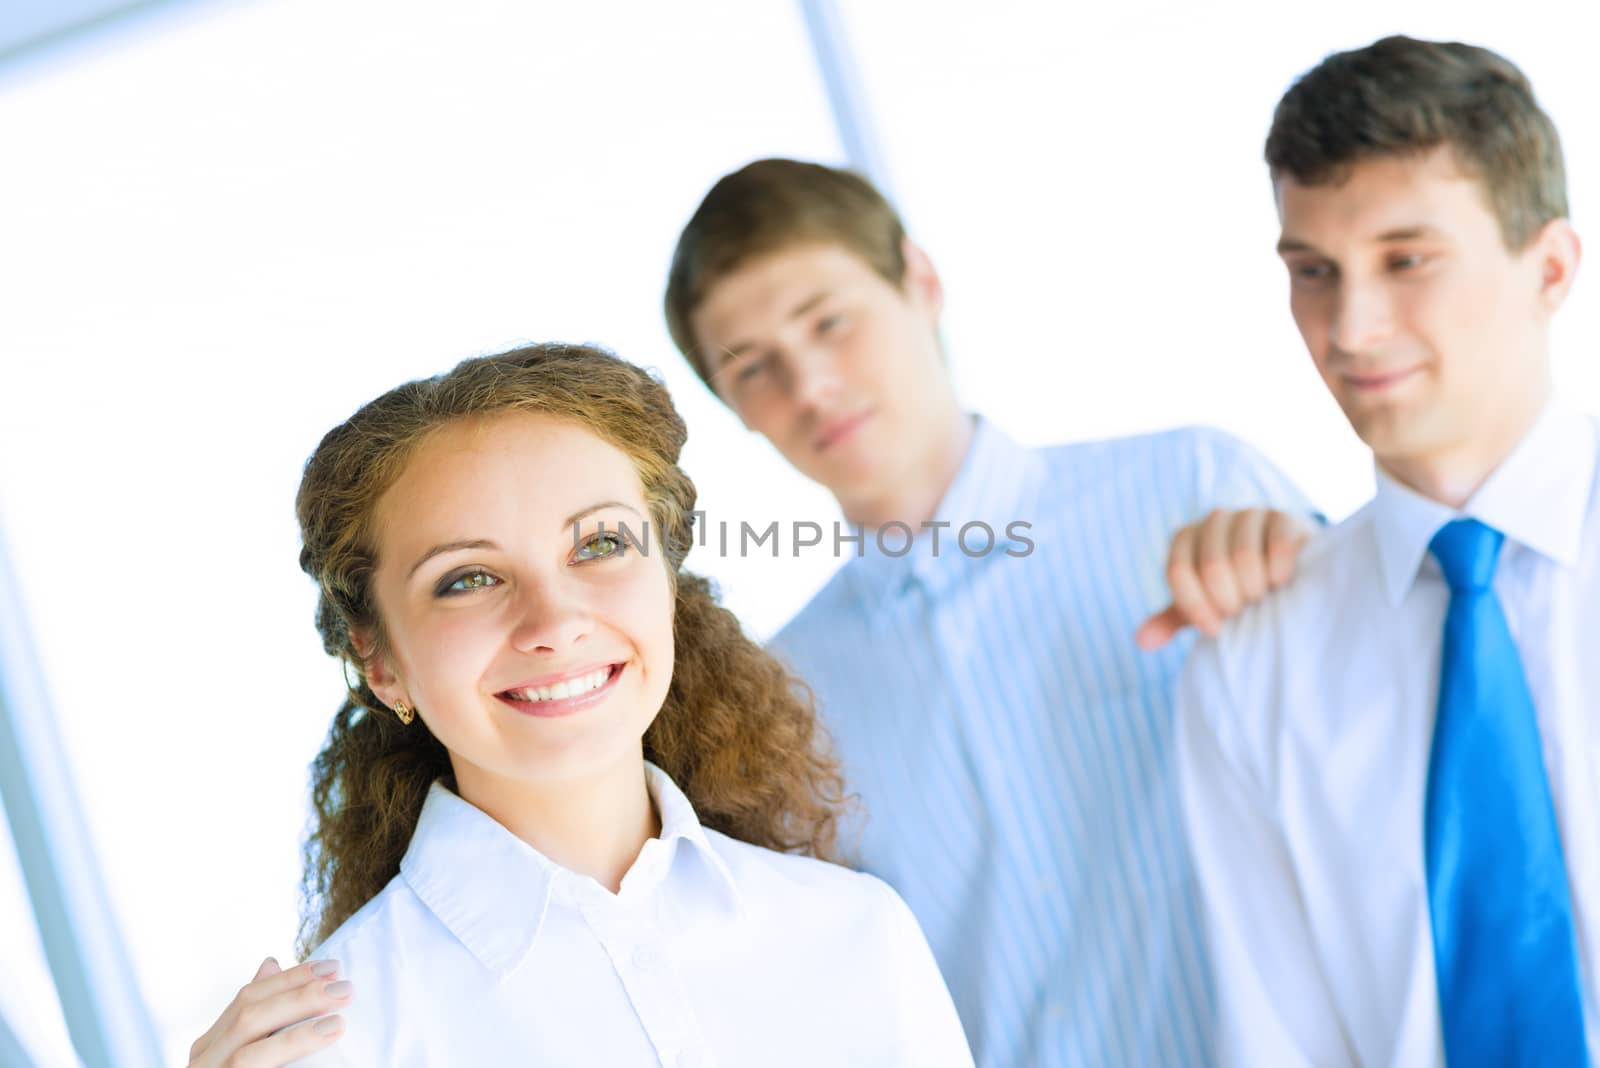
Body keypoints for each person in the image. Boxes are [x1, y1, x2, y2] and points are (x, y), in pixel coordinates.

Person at [191, 164, 1316, 1067]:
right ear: (376, 660)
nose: (813, 385)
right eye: (466, 576)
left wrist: (1316, 581)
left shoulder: (1199, 495)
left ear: (919, 282)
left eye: (830, 321)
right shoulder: (798, 697)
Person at [208, 343, 975, 1066]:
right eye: (468, 578)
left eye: (599, 545)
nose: (553, 624)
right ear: (380, 663)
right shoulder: (336, 1039)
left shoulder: (856, 930)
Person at [1177, 35, 1597, 1066]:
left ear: (1549, 266)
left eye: (1405, 259)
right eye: (1312, 271)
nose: (1350, 327)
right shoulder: (1251, 660)